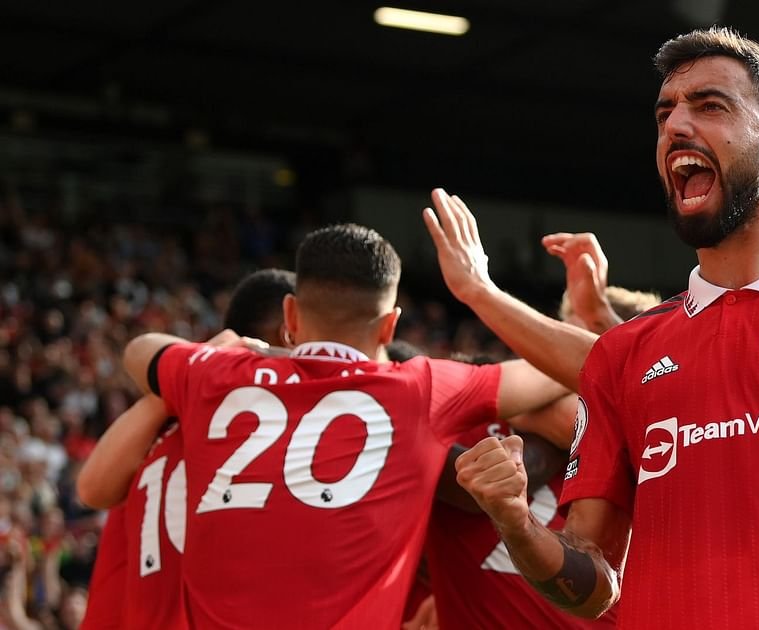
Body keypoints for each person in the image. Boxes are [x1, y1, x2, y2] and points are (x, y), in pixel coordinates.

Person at [427, 27, 759, 629]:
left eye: (710, 106)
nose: (676, 126)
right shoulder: (623, 352)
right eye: (665, 113)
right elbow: (592, 584)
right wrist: (516, 523)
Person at [119, 224, 571, 628]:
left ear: (291, 316)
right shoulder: (419, 388)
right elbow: (567, 368)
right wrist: (481, 292)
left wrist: (233, 350)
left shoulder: (215, 374)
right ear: (389, 327)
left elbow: (139, 350)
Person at [422, 283, 658, 630]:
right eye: (552, 337)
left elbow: (583, 413)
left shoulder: (651, 438)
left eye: (571, 342)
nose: (551, 355)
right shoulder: (477, 421)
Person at [79, 268, 297, 630]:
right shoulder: (282, 428)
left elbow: (90, 488)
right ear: (291, 332)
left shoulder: (161, 418)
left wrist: (195, 365)